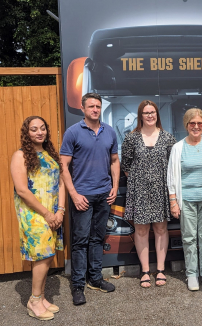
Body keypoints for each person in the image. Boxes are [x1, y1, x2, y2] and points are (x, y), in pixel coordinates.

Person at [60, 93, 120, 305]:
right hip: (82, 197)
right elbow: (64, 166)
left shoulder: (109, 132)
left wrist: (114, 187)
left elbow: (114, 160)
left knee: (97, 239)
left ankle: (95, 279)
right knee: (80, 241)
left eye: (98, 106)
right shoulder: (73, 132)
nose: (95, 109)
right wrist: (74, 195)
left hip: (104, 195)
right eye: (91, 106)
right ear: (83, 108)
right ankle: (78, 285)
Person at [11, 116, 65, 320]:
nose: (39, 132)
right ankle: (33, 301)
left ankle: (41, 297)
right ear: (27, 133)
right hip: (34, 214)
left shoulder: (50, 153)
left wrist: (60, 210)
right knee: (42, 255)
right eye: (34, 129)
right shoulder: (21, 155)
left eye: (42, 128)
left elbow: (60, 182)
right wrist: (47, 213)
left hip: (53, 213)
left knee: (49, 255)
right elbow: (22, 190)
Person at [121, 100, 176, 288]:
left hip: (162, 189)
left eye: (153, 112)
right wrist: (142, 179)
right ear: (140, 116)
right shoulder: (131, 138)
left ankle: (160, 269)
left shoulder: (168, 138)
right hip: (139, 191)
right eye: (146, 113)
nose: (150, 115)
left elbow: (174, 166)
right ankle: (145, 270)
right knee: (142, 230)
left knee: (161, 229)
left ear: (157, 115)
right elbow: (126, 166)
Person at [167, 108, 202, 291]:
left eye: (199, 123)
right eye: (192, 123)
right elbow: (171, 177)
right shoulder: (178, 147)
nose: (196, 127)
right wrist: (173, 201)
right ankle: (191, 274)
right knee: (188, 238)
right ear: (186, 125)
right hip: (185, 200)